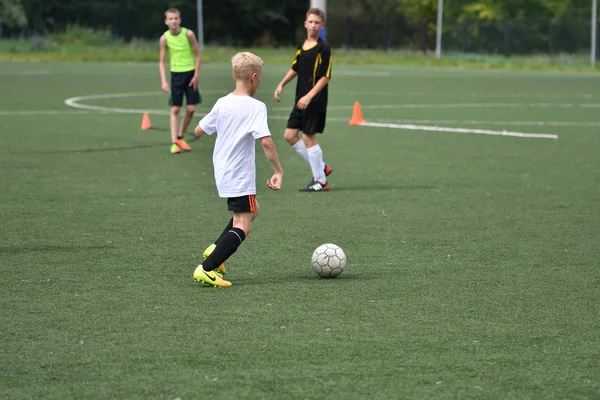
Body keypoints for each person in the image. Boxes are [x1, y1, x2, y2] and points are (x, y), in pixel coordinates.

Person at [192, 52, 284, 288]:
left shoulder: (223, 102)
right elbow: (265, 141)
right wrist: (278, 170)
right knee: (244, 225)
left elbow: (198, 131)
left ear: (235, 76)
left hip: (222, 171)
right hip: (240, 174)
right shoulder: (256, 106)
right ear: (254, 77)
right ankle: (207, 268)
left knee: (253, 211)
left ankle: (216, 247)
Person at [274, 7, 333, 192]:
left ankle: (320, 181)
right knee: (289, 135)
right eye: (311, 22)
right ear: (305, 24)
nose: (313, 25)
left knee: (308, 137)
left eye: (317, 23)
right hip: (300, 99)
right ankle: (321, 166)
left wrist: (309, 96)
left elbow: (325, 77)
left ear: (321, 26)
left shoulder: (323, 48)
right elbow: (296, 68)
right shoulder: (302, 45)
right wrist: (281, 84)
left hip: (314, 100)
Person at [159, 8, 202, 154]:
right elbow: (162, 61)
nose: (173, 21)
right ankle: (174, 143)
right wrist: (164, 81)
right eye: (170, 19)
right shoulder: (164, 38)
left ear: (180, 20)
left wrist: (196, 75)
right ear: (166, 21)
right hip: (176, 75)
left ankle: (180, 137)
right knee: (175, 109)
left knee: (191, 109)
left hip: (190, 74)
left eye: (176, 18)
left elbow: (198, 55)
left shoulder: (188, 34)